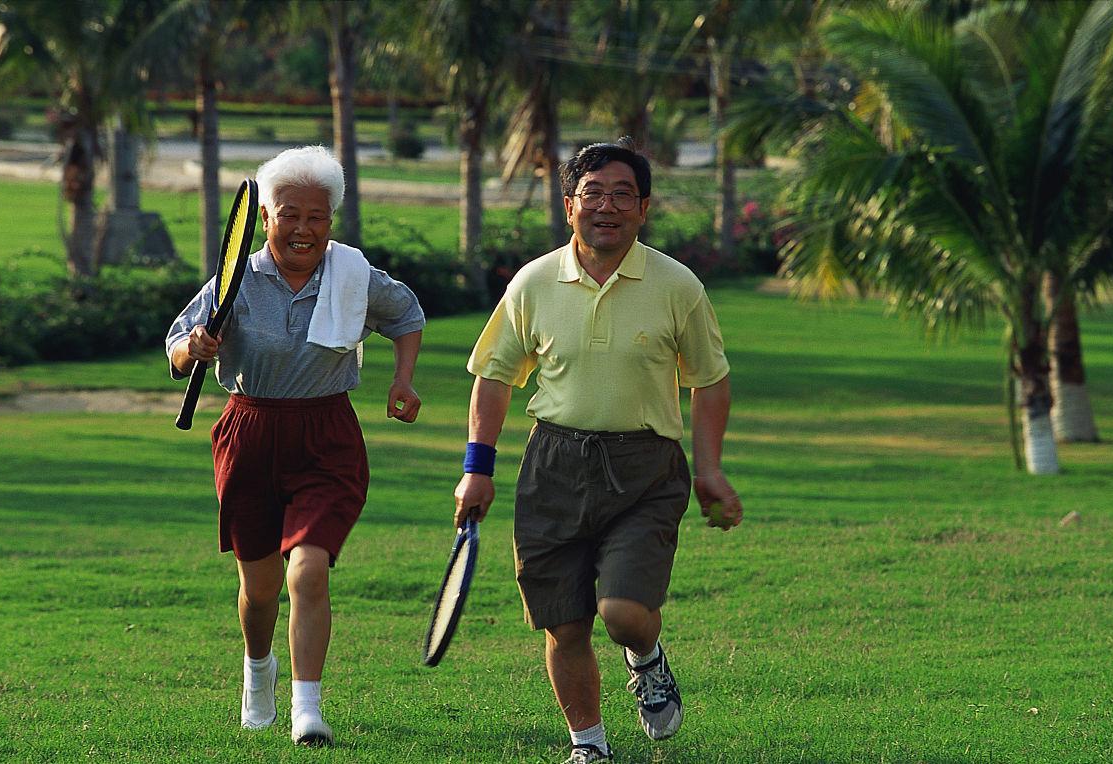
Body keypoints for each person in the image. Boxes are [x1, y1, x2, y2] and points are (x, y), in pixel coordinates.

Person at [453, 139, 743, 764]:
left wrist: (711, 470)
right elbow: (495, 376)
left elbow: (710, 377)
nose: (605, 207)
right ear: (568, 206)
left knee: (622, 612)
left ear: (642, 208)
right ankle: (589, 745)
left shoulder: (677, 285)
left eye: (620, 196)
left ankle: (648, 658)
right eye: (592, 194)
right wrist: (476, 469)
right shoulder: (534, 282)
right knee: (564, 621)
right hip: (553, 467)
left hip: (646, 469)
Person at [166, 146, 425, 747]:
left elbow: (407, 313)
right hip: (248, 436)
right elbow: (178, 344)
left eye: (317, 216)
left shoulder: (354, 275)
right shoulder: (235, 279)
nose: (303, 229)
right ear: (265, 218)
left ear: (331, 219)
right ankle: (259, 671)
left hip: (326, 438)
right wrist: (193, 350)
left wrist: (403, 378)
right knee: (259, 591)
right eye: (290, 215)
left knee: (308, 571)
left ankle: (307, 709)